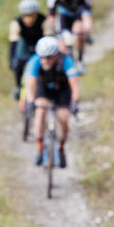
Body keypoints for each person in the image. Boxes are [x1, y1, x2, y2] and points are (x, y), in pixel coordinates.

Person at [25, 36, 80, 169]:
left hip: (62, 89)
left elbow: (75, 85)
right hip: (43, 89)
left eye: (48, 57)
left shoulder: (66, 60)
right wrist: (31, 102)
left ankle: (61, 148)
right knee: (40, 112)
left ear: (56, 55)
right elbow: (30, 85)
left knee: (63, 118)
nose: (44, 60)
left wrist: (74, 102)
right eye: (42, 57)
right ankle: (40, 147)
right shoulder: (34, 61)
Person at [46, 0, 93, 75]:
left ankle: (80, 60)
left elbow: (87, 16)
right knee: (62, 45)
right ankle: (68, 67)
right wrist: (51, 33)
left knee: (80, 31)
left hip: (78, 16)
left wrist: (87, 32)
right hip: (63, 18)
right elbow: (51, 17)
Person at [8, 0, 51, 101]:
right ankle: (18, 86)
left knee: (45, 63)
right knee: (18, 63)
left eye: (32, 16)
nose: (29, 19)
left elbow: (48, 39)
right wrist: (12, 59)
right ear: (22, 15)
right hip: (24, 44)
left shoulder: (44, 21)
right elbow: (13, 43)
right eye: (26, 16)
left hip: (40, 44)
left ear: (36, 14)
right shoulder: (16, 23)